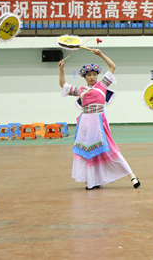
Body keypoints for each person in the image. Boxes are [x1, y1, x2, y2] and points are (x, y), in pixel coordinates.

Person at [58, 50, 141, 190]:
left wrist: (100, 54)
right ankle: (93, 181)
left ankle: (132, 175)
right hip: (85, 124)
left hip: (99, 122)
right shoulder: (81, 90)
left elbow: (112, 66)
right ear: (84, 77)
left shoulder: (102, 85)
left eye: (94, 74)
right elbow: (63, 86)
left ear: (97, 75)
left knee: (111, 148)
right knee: (89, 152)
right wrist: (61, 69)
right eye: (89, 75)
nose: (92, 77)